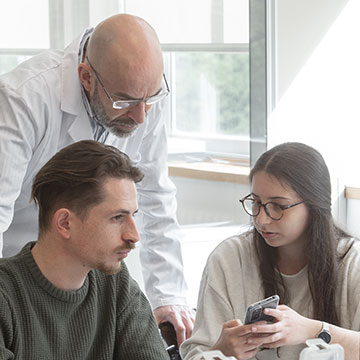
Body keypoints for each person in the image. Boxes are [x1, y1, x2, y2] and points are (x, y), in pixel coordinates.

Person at [0, 13, 194, 343]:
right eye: (125, 101)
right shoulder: (23, 99)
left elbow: (155, 195)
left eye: (151, 98)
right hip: (17, 265)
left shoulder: (142, 94)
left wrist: (168, 296)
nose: (141, 115)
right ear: (86, 77)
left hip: (92, 272)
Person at [180, 142, 360, 360]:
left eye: (278, 206)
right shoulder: (229, 259)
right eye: (256, 202)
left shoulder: (352, 263)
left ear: (314, 205)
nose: (261, 219)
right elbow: (196, 355)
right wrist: (221, 352)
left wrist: (312, 330)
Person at [0, 140, 169, 359]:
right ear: (65, 223)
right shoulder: (5, 296)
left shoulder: (118, 286)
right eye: (117, 217)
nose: (134, 236)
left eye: (133, 215)